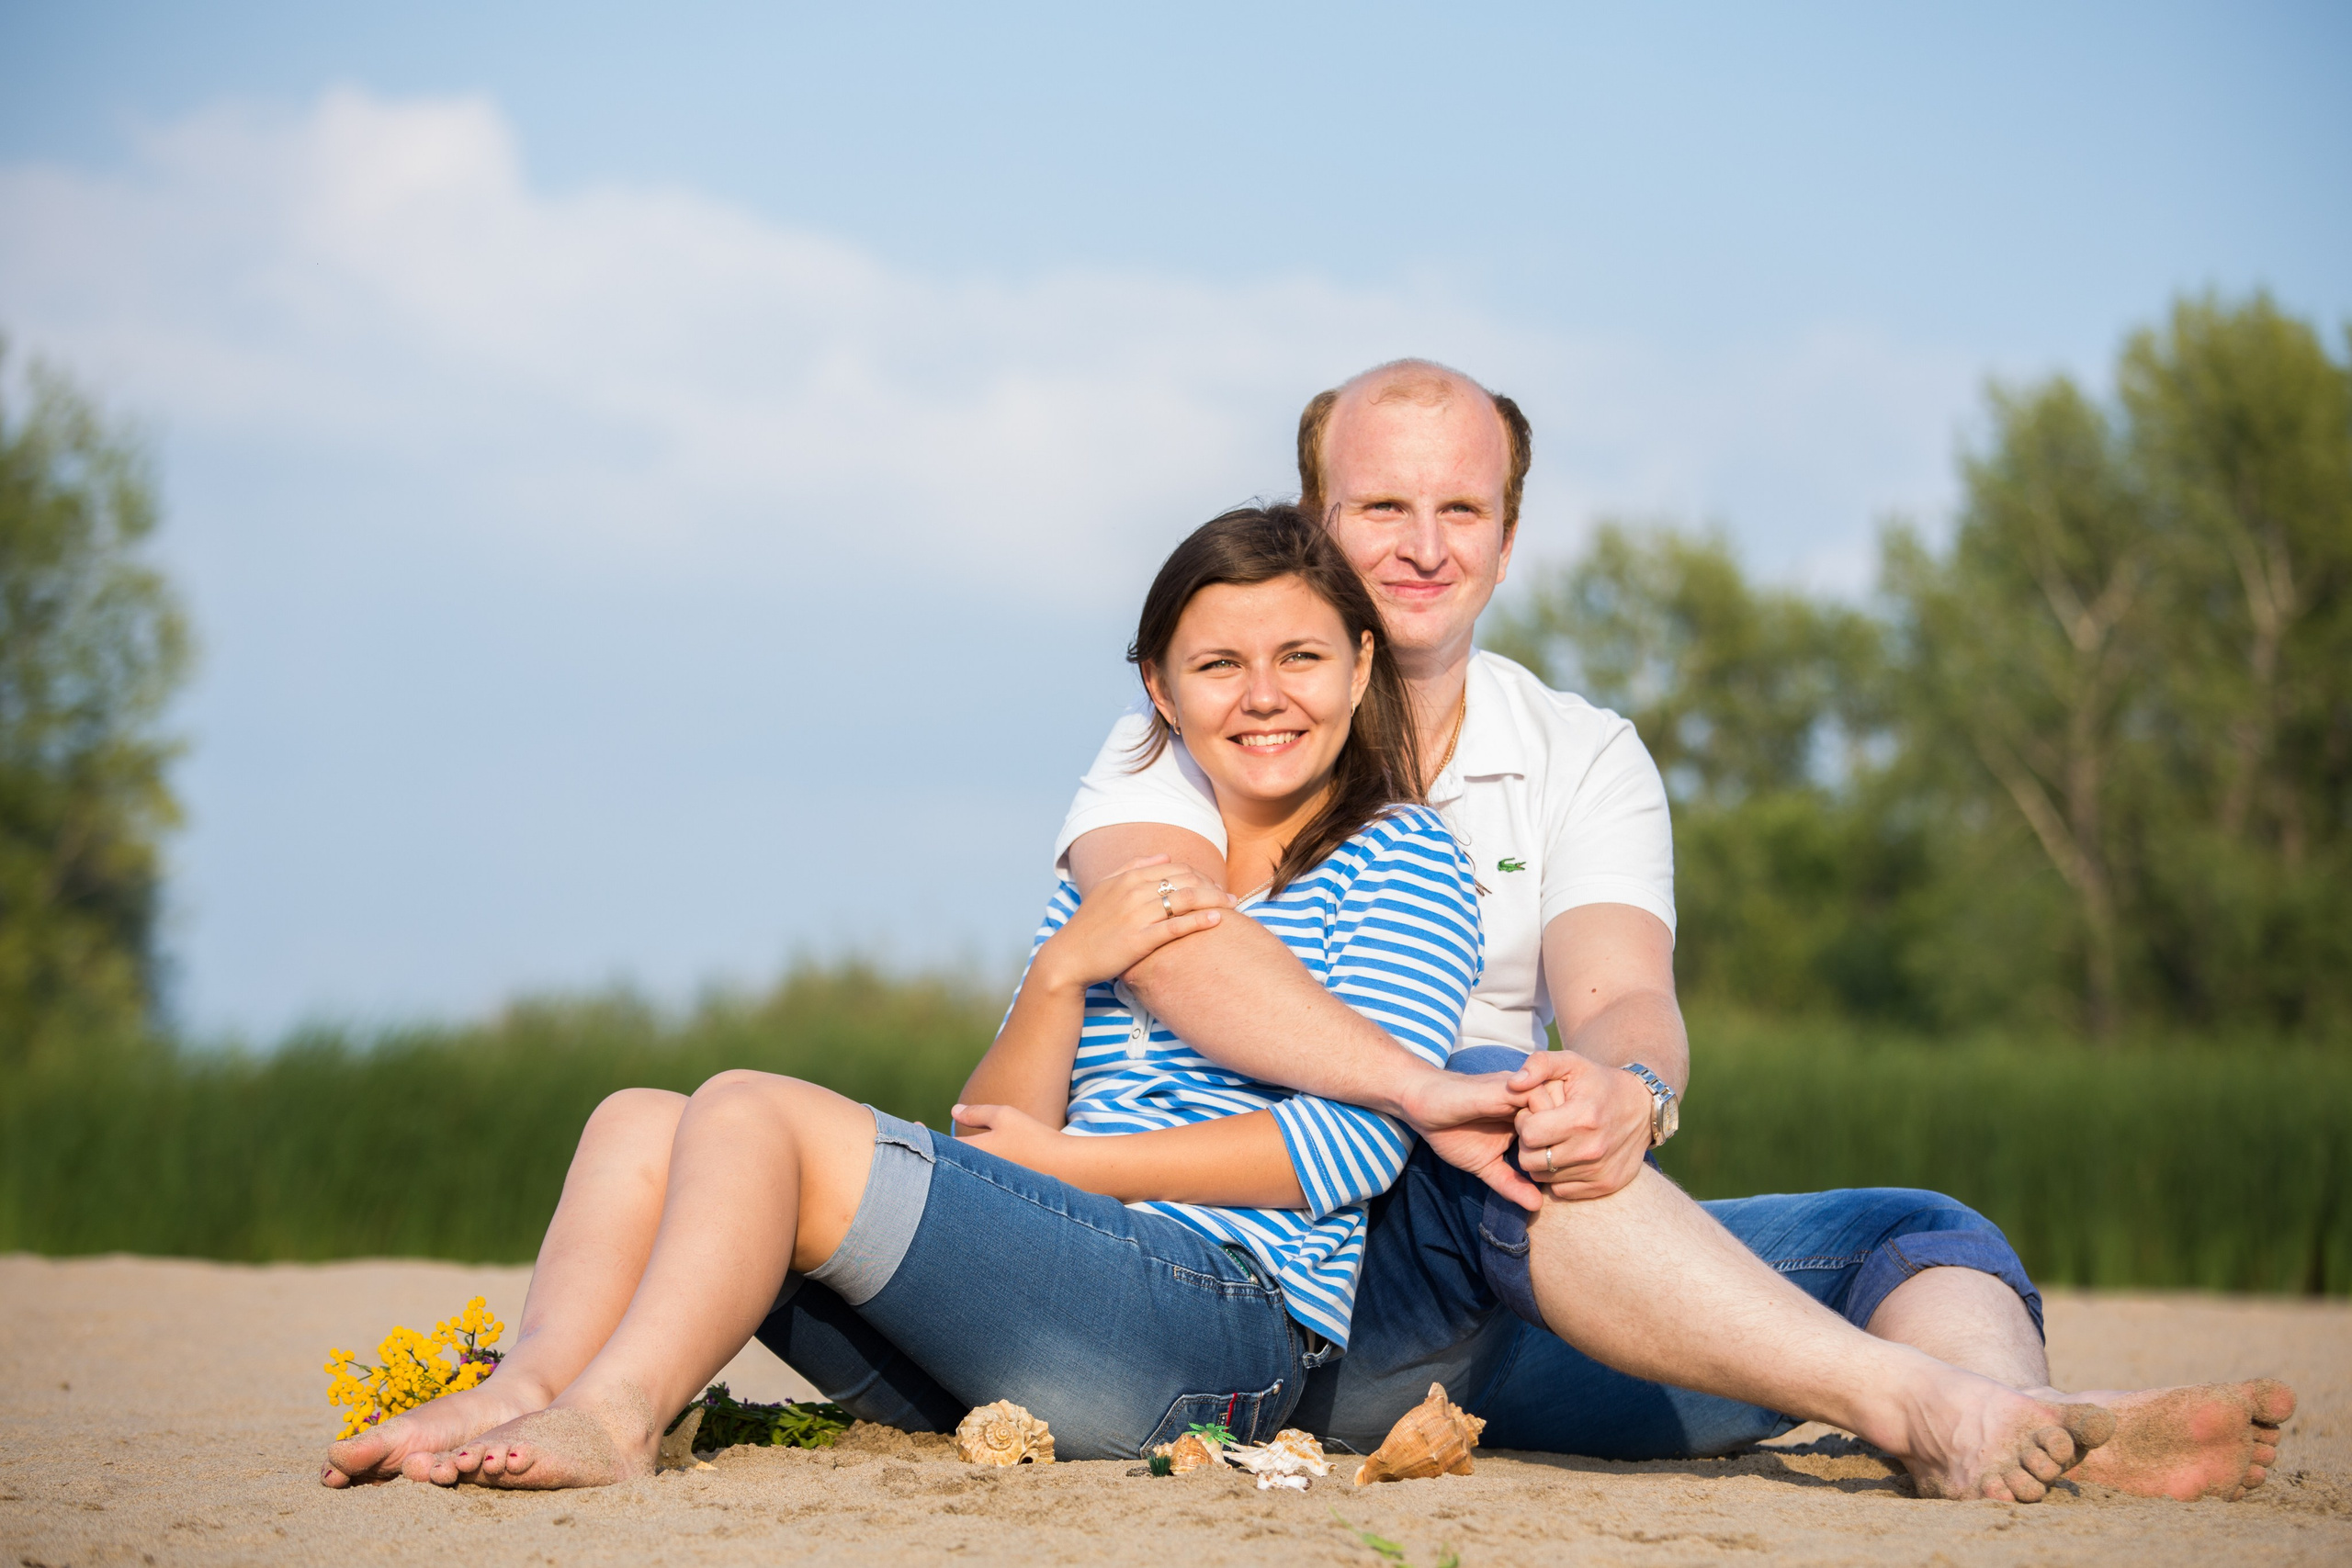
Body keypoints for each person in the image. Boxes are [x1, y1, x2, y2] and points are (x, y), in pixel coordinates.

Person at [328, 508, 2135, 1501]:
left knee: (749, 1101)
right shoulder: (1120, 858)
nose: (1258, 692)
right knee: (645, 1114)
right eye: (1215, 661)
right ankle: (519, 1383)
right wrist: (1059, 968)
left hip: (1220, 1319)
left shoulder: (1407, 863)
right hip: (1060, 1293)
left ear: (1358, 669)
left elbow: (1349, 1142)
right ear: (1156, 686)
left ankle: (613, 1417)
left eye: (1297, 654)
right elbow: (988, 1117)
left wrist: (1070, 1169)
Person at [1046, 360, 2291, 1503]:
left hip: (1550, 1269)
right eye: (1381, 510)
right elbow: (1180, 949)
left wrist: (1626, 1091)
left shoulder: (1585, 757)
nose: (1425, 548)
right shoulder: (1209, 721)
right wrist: (1433, 1096)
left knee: (1918, 1231)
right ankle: (1916, 1408)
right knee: (1490, 1096)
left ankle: (2019, 1420)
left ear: (1510, 537)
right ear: (1311, 523)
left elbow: (1623, 996)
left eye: (1463, 512)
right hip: (1318, 1264)